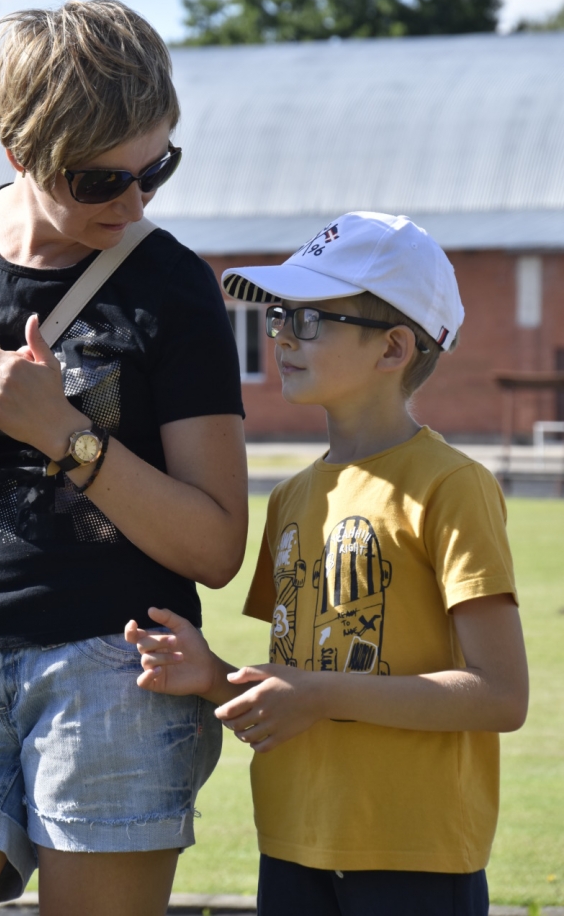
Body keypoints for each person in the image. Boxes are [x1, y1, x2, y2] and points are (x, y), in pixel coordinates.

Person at [0, 0, 248, 916]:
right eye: (100, 181)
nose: (134, 203)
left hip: (117, 672)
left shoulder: (175, 285)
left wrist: (65, 434)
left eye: (158, 169)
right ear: (17, 151)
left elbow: (217, 545)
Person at [126, 211, 529, 916]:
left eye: (310, 319)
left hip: (413, 852)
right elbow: (302, 679)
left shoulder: (451, 486)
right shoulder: (289, 498)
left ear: (393, 347)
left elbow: (500, 695)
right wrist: (213, 676)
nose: (281, 335)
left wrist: (317, 694)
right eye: (281, 315)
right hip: (292, 842)